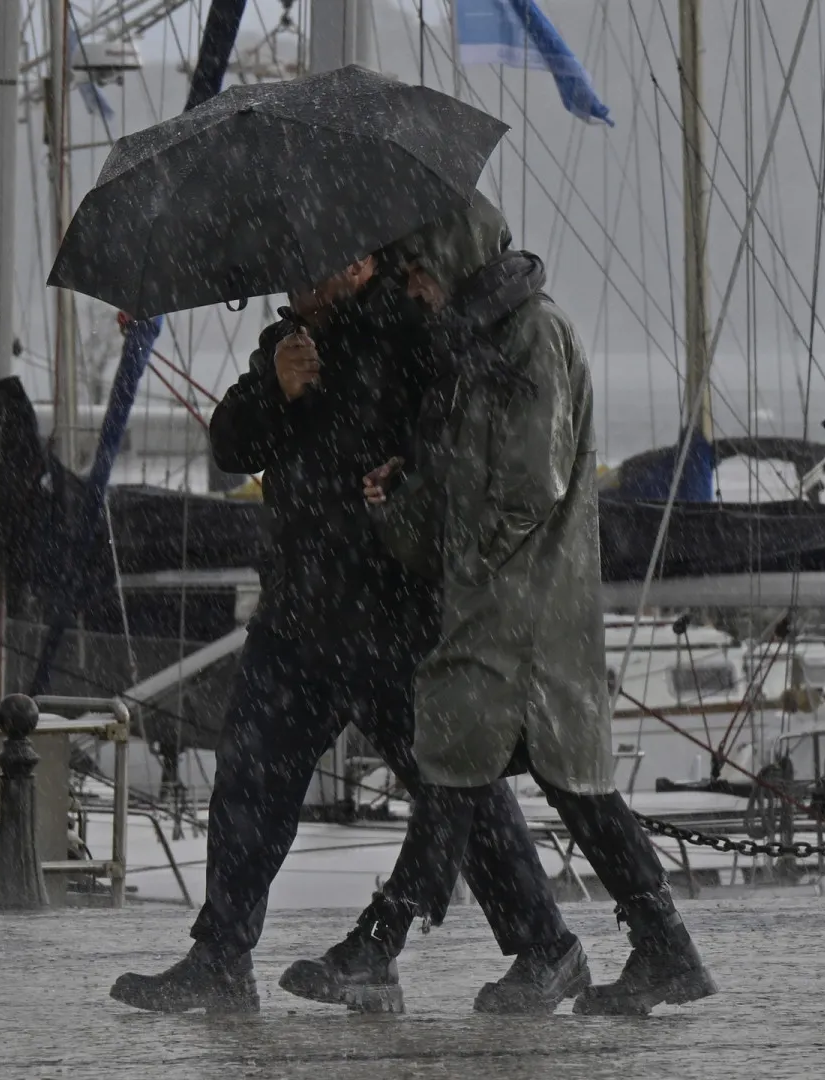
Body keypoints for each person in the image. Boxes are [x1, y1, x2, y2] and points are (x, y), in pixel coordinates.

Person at [110, 248, 586, 1016]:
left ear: (360, 265)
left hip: (392, 610)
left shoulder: (407, 330)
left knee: (453, 782)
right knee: (249, 778)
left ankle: (546, 947)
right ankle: (221, 954)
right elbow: (232, 442)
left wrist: (411, 474)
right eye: (290, 269)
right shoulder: (286, 344)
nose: (294, 281)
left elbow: (466, 428)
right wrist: (276, 389)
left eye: (314, 267)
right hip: (299, 612)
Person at [359, 193, 718, 1017]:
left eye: (417, 270)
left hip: (527, 613)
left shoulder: (533, 337)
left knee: (470, 766)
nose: (411, 288)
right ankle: (663, 947)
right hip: (498, 607)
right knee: (561, 783)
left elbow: (531, 482)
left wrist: (465, 540)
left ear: (450, 259)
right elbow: (465, 491)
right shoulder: (471, 351)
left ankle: (381, 939)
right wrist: (398, 501)